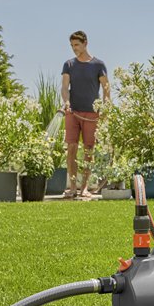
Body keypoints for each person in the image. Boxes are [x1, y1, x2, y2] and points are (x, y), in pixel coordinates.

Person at [61, 30, 110, 199]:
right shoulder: (69, 64)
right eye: (72, 45)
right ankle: (72, 187)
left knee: (89, 149)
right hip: (73, 112)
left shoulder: (98, 65)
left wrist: (105, 109)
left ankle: (84, 188)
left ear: (85, 43)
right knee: (71, 148)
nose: (74, 48)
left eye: (77, 45)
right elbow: (64, 87)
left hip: (92, 114)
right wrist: (66, 102)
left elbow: (106, 89)